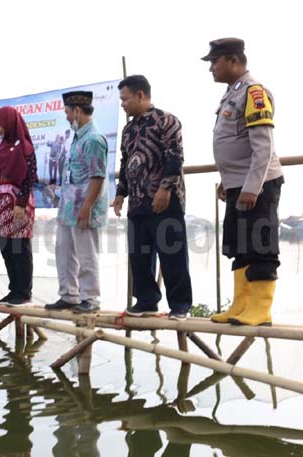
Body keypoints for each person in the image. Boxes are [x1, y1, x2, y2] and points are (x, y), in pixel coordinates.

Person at [203, 38, 284, 326]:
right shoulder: (232, 94)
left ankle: (260, 310)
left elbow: (262, 146)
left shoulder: (254, 93)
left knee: (260, 244)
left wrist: (251, 187)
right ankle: (240, 306)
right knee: (240, 246)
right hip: (238, 183)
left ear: (233, 60)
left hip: (259, 185)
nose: (211, 68)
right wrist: (229, 181)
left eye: (215, 61)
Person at [112, 75, 193, 320]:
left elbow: (175, 157)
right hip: (137, 203)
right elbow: (126, 163)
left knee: (172, 255)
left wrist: (164, 189)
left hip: (164, 201)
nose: (122, 104)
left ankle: (180, 306)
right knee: (139, 256)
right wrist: (120, 193)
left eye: (125, 99)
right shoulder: (129, 129)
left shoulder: (166, 121)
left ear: (140, 95)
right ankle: (146, 301)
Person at [45, 91, 108, 313]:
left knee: (86, 254)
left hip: (83, 207)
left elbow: (97, 176)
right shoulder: (78, 136)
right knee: (63, 250)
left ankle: (90, 298)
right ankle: (69, 295)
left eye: (67, 112)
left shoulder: (93, 139)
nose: (66, 116)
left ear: (77, 112)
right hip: (69, 207)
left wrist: (87, 206)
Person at [0, 106, 37, 305]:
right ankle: (13, 291)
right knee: (6, 248)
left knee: (19, 248)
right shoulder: (2, 147)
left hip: (18, 203)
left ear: (9, 122)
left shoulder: (25, 147)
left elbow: (30, 177)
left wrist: (20, 203)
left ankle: (24, 292)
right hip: (0, 203)